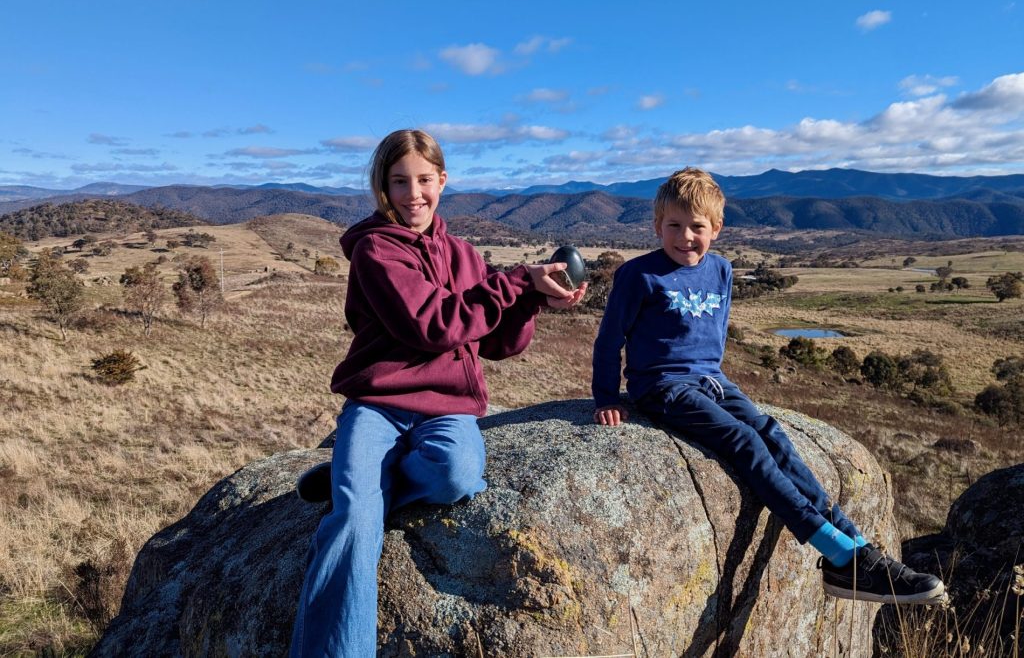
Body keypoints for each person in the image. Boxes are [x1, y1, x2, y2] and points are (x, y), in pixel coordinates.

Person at [290, 129, 586, 657]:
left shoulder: (464, 255)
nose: (413, 194)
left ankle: (355, 478)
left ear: (442, 181)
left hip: (444, 408)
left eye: (424, 180)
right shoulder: (376, 251)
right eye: (399, 182)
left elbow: (497, 344)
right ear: (383, 186)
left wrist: (532, 300)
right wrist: (517, 280)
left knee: (456, 474)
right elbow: (434, 326)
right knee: (354, 523)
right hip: (377, 404)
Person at [591, 167, 944, 605]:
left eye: (697, 227)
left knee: (772, 434)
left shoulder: (721, 270)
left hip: (712, 381)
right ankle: (834, 552)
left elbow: (713, 336)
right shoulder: (638, 274)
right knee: (744, 441)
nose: (685, 237)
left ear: (716, 229)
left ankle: (856, 550)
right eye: (674, 226)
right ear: (656, 226)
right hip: (663, 385)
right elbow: (610, 340)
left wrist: (715, 380)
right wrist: (608, 397)